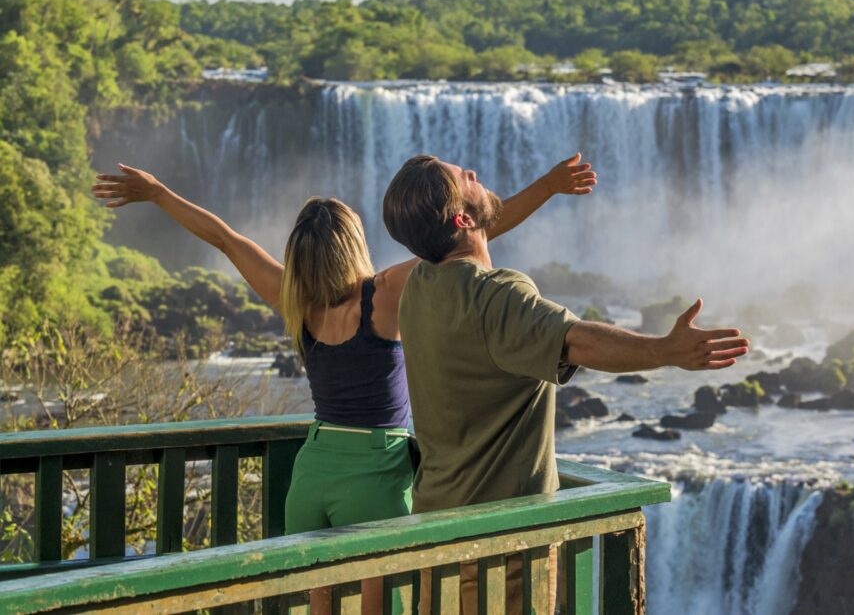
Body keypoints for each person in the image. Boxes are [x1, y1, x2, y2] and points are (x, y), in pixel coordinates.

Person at [90, 156, 598, 615]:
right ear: (353, 246)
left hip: (312, 473)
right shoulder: (382, 296)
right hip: (374, 473)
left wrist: (158, 193)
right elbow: (466, 231)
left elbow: (225, 238)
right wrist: (547, 186)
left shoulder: (295, 303)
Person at [382, 153, 750, 613]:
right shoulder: (497, 297)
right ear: (462, 217)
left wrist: (548, 185)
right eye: (464, 178)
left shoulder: (420, 282)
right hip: (503, 544)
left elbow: (474, 231)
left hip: (435, 530)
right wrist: (665, 351)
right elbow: (578, 342)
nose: (474, 171)